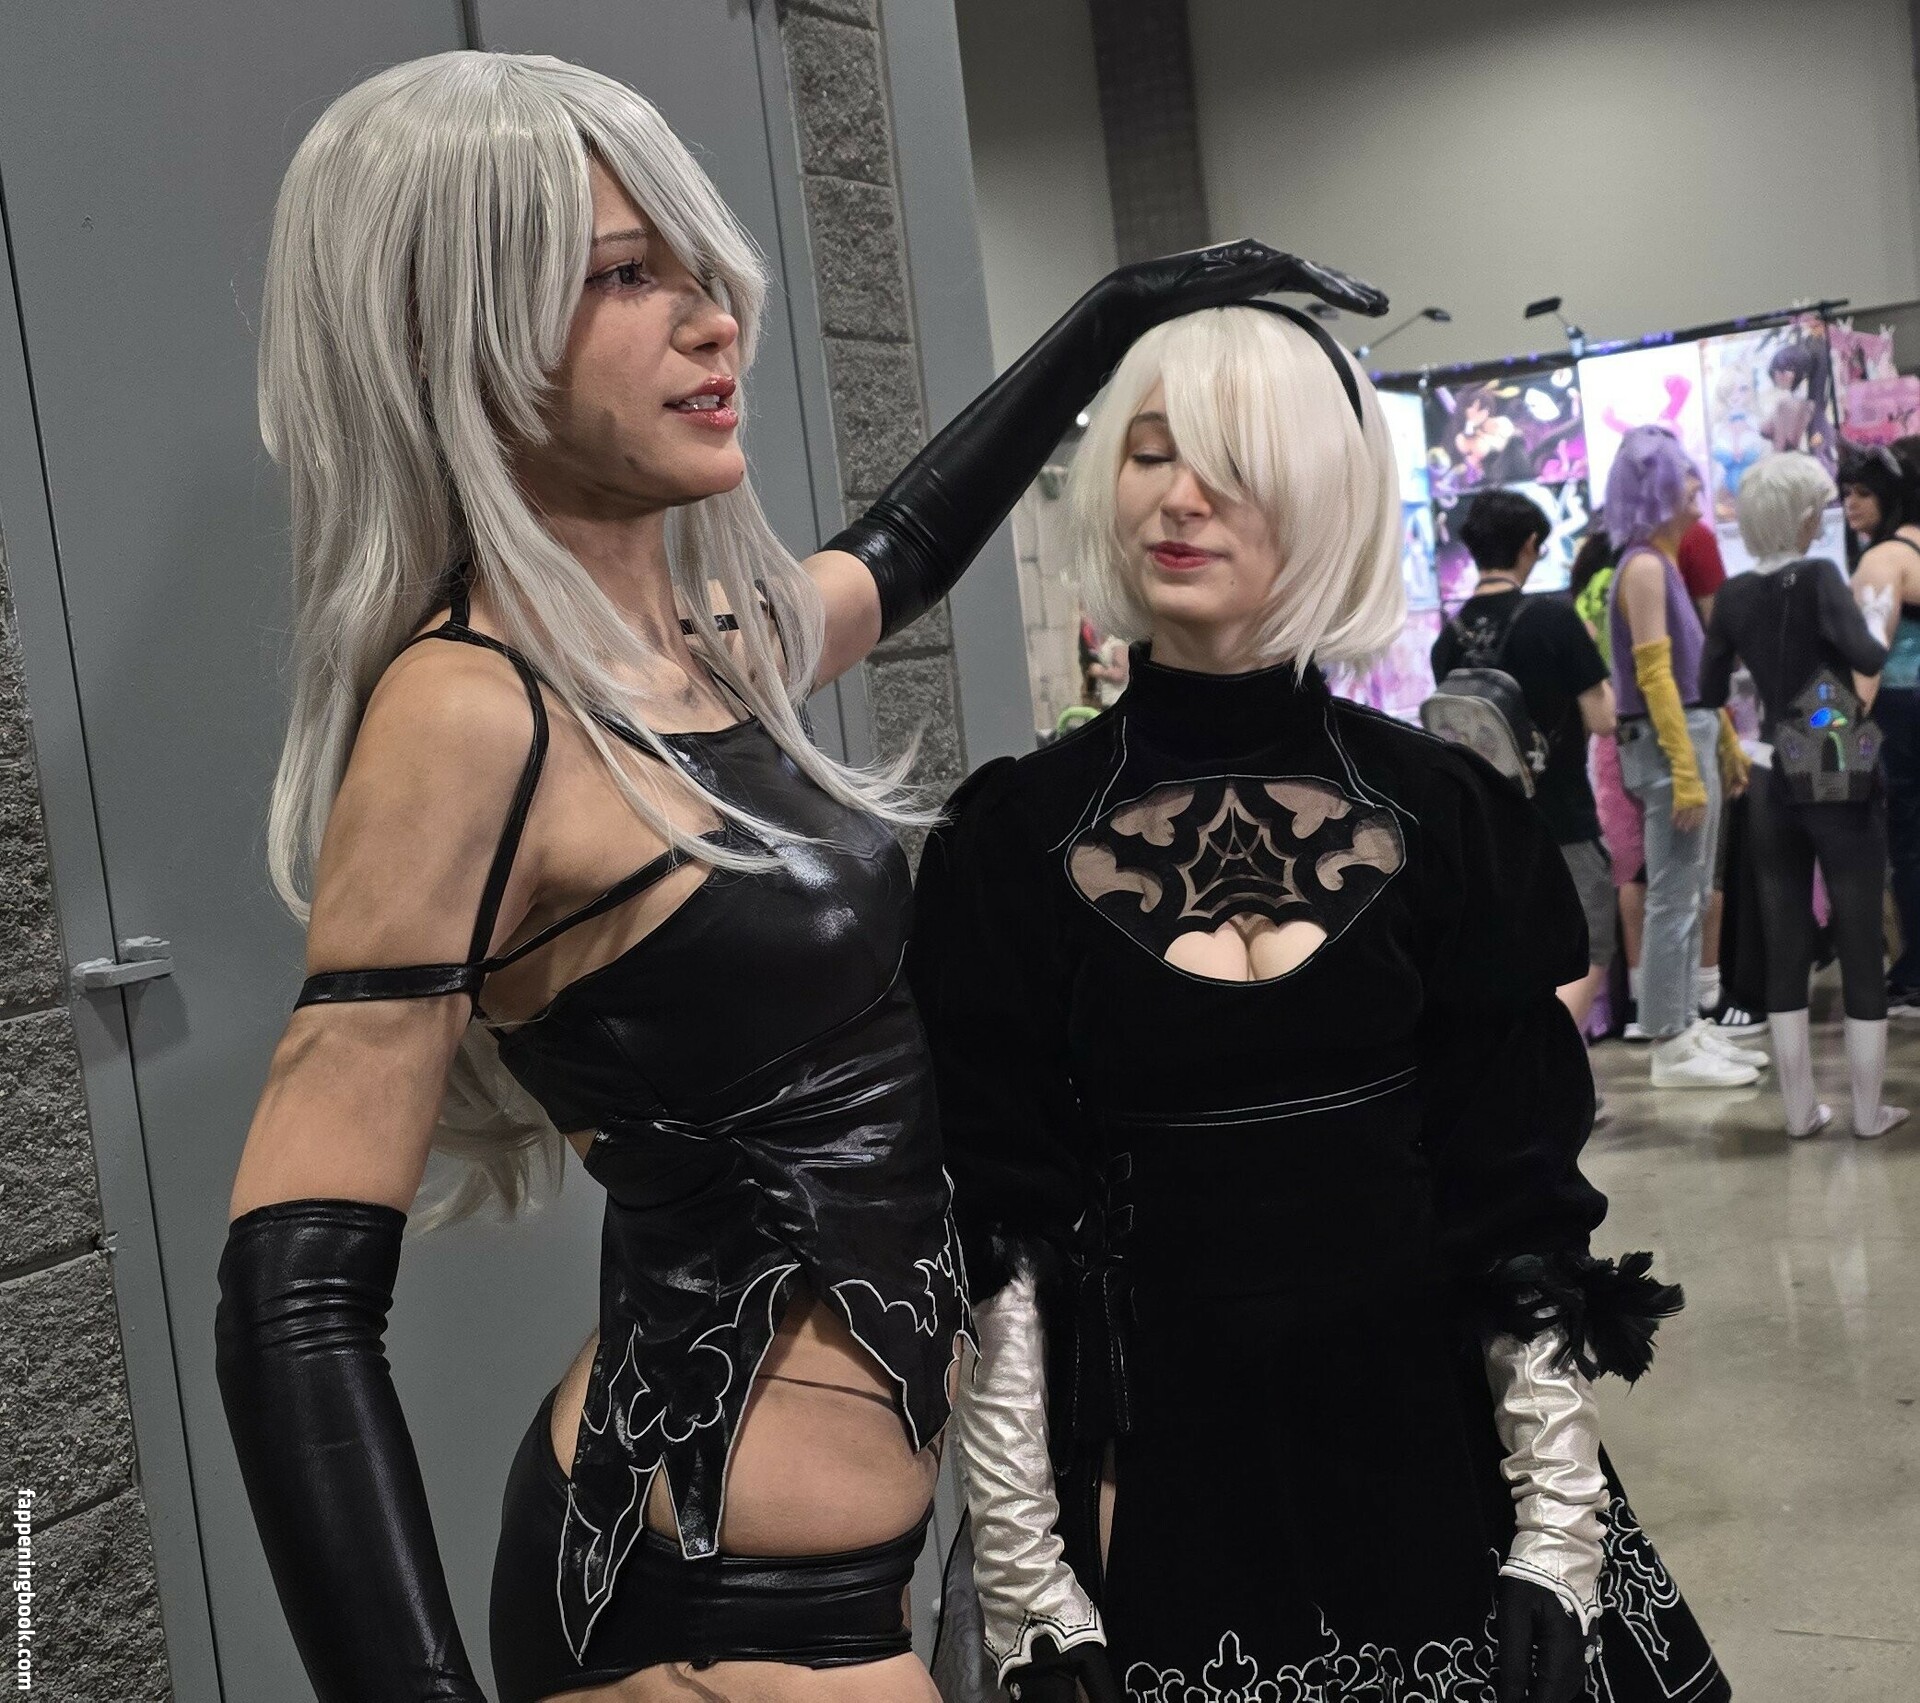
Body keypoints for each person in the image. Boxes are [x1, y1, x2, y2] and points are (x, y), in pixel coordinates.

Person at [208, 49, 1380, 1703]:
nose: (713, 322)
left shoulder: (699, 648)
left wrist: (1114, 317)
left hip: (855, 1565)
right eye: (626, 276)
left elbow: (902, 549)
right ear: (449, 335)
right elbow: (292, 1289)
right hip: (703, 1597)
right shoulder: (470, 712)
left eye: (700, 267)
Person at [911, 305, 1726, 1703]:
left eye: (1230, 462)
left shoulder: (1443, 812)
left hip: (1428, 1456)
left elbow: (1512, 1191)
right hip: (1157, 1477)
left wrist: (1557, 1523)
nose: (1179, 497)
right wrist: (1029, 1577)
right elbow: (1002, 1234)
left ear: (1321, 493)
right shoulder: (1013, 839)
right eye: (1151, 454)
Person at [1701, 453, 1901, 1138]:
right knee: (1858, 930)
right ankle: (1868, 1113)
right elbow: (1868, 656)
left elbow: (1707, 686)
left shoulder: (1732, 594)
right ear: (1803, 515)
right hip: (1832, 741)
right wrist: (1874, 615)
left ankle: (1798, 1113)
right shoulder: (1819, 576)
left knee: (1784, 936)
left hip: (1767, 761)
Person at [1605, 426, 1760, 1087]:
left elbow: (1690, 678)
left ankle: (1684, 1025)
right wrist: (1688, 767)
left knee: (1689, 892)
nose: (1697, 485)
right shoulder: (1644, 567)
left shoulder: (1659, 563)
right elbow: (1656, 677)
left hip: (1683, 738)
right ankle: (1670, 1041)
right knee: (1674, 895)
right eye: (1684, 475)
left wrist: (1718, 742)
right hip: (1668, 745)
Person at [1430, 490, 1617, 1027]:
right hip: (1562, 815)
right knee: (1589, 942)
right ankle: (1555, 1059)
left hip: (1487, 827)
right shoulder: (1553, 620)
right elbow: (1603, 717)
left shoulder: (1449, 638)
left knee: (1517, 956)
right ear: (1531, 545)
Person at [1840, 444, 1920, 1013]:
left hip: (1899, 707)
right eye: (1846, 493)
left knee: (1908, 841)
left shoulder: (1882, 559)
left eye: (1863, 493)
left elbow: (1868, 657)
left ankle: (1915, 971)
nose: (1851, 504)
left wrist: (1843, 732)